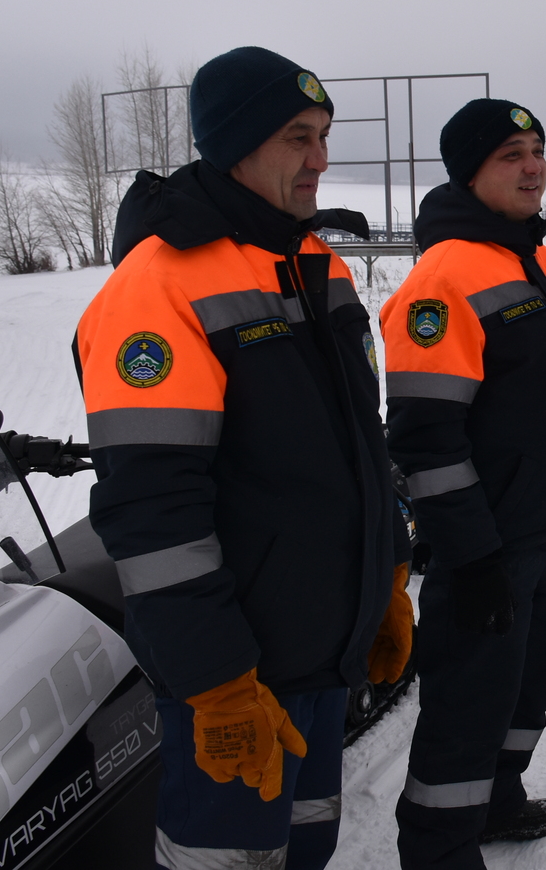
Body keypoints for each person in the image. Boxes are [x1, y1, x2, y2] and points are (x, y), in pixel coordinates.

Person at [76, 46, 414, 869]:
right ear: (235, 145)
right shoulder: (158, 287)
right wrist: (216, 680)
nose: (321, 160)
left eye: (324, 135)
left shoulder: (313, 265)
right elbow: (154, 519)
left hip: (319, 655)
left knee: (305, 844)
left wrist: (386, 580)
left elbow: (356, 452)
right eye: (298, 137)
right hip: (235, 676)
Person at [381, 98, 546, 869]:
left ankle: (498, 801)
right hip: (490, 547)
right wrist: (472, 558)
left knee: (526, 693)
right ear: (470, 171)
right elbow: (427, 439)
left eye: (538, 149)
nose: (533, 166)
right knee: (467, 711)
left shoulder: (539, 260)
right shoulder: (441, 279)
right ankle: (440, 849)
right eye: (511, 153)